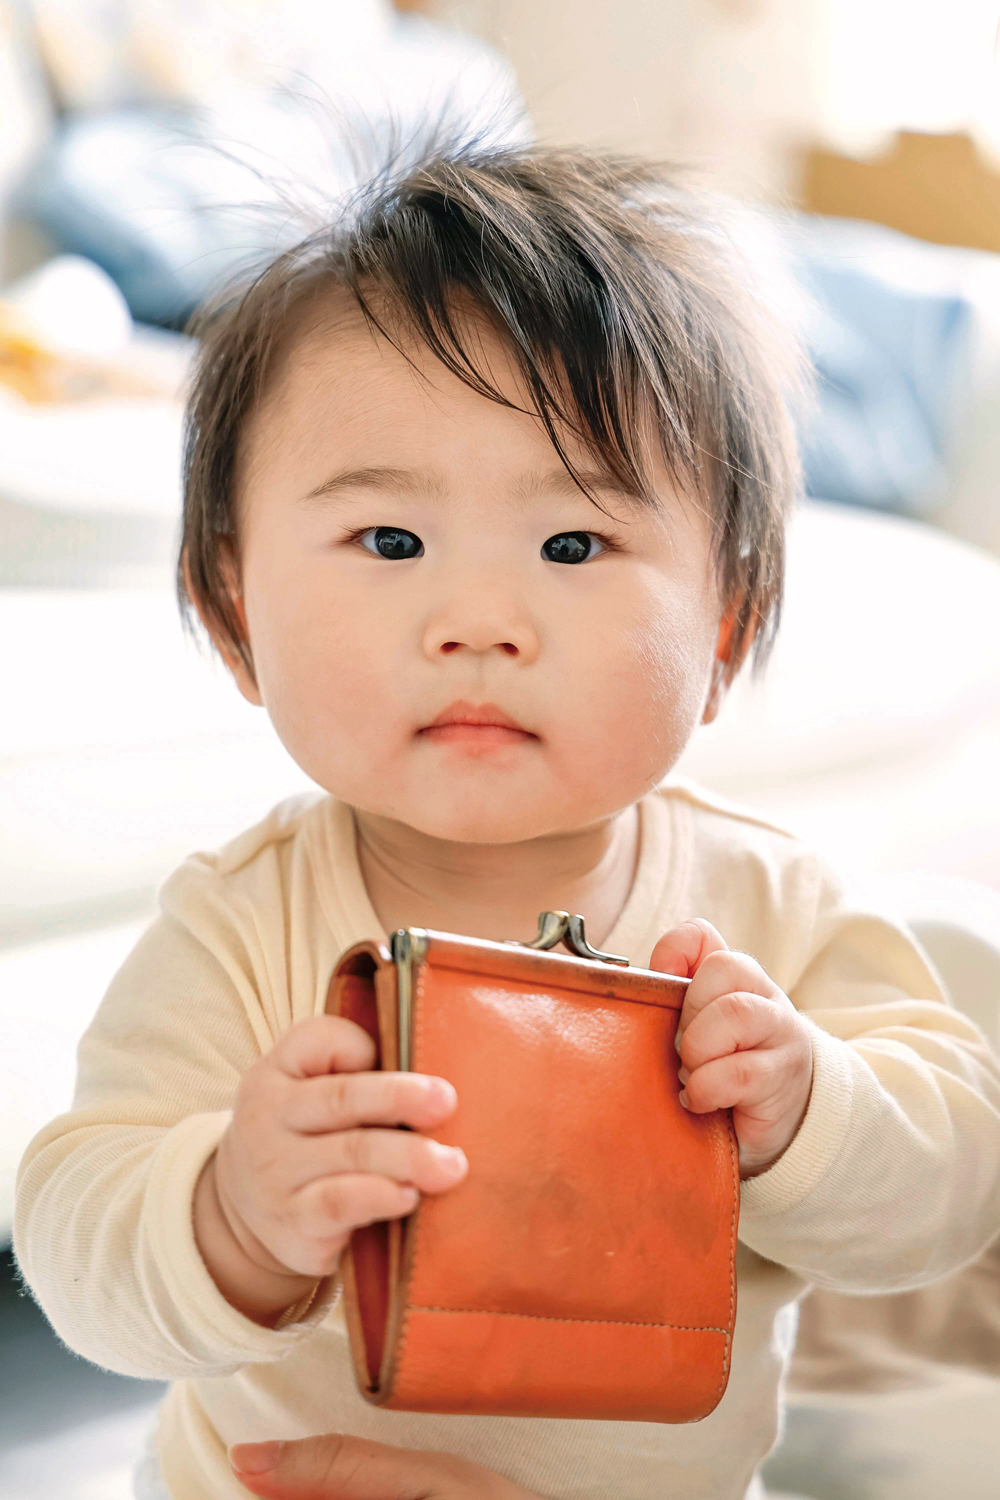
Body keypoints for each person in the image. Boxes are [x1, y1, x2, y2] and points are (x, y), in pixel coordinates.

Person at [13, 145, 1000, 1500]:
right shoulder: (243, 926)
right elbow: (77, 1244)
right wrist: (230, 1211)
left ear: (725, 627)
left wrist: (809, 1106)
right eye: (392, 543)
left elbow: (951, 1184)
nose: (479, 622)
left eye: (574, 547)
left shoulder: (777, 914)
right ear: (237, 614)